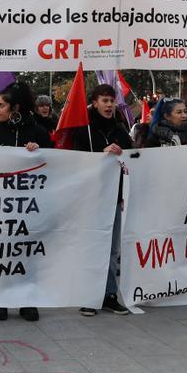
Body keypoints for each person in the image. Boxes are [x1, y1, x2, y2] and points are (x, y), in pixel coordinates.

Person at [0, 81, 50, 322]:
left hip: (29, 204)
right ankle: (2, 299)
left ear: (15, 108)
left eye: (1, 106)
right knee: (3, 252)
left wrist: (40, 150)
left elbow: (54, 163)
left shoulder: (38, 132)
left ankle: (27, 301)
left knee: (27, 251)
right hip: (2, 204)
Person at [72, 83, 132, 317]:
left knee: (112, 249)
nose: (109, 105)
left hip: (115, 195)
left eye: (112, 100)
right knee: (93, 246)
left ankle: (109, 294)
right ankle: (89, 295)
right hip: (91, 197)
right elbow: (77, 161)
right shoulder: (84, 129)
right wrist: (100, 155)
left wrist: (122, 152)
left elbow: (132, 156)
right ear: (94, 103)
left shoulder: (119, 129)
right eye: (104, 101)